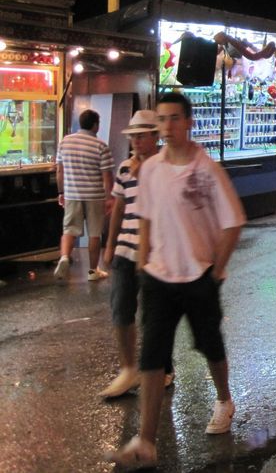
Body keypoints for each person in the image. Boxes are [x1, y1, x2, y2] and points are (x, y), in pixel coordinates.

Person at [106, 92, 246, 468]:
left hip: (198, 276)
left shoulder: (207, 170)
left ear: (188, 123)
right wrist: (144, 261)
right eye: (162, 120)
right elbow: (146, 216)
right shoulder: (149, 170)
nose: (167, 127)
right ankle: (146, 441)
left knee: (210, 346)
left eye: (173, 119)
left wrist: (215, 270)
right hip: (158, 278)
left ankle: (224, 399)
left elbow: (234, 221)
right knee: (152, 357)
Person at [99, 110, 175, 399]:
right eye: (133, 137)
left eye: (141, 137)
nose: (135, 142)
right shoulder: (124, 168)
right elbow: (118, 205)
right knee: (121, 308)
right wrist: (110, 242)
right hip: (125, 249)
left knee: (154, 314)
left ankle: (163, 367)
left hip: (156, 250)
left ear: (155, 137)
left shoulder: (166, 166)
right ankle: (129, 368)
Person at [54, 109, 115, 282]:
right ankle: (92, 271)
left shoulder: (65, 142)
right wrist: (109, 197)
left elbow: (59, 170)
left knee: (69, 230)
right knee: (94, 233)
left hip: (72, 193)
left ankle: (65, 257)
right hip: (95, 196)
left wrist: (61, 192)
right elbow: (106, 176)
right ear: (95, 125)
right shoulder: (101, 146)